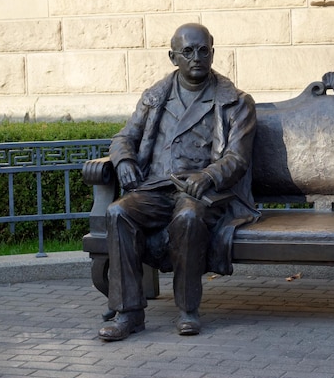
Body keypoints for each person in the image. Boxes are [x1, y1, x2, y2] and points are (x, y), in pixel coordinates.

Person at [98, 23, 258, 341]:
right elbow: (124, 137)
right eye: (187, 51)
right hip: (156, 188)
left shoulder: (235, 102)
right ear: (173, 57)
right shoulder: (155, 98)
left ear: (212, 53)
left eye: (203, 50)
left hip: (205, 192)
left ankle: (188, 310)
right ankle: (128, 312)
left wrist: (209, 175)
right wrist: (124, 160)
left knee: (187, 216)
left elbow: (237, 158)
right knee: (118, 212)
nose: (196, 57)